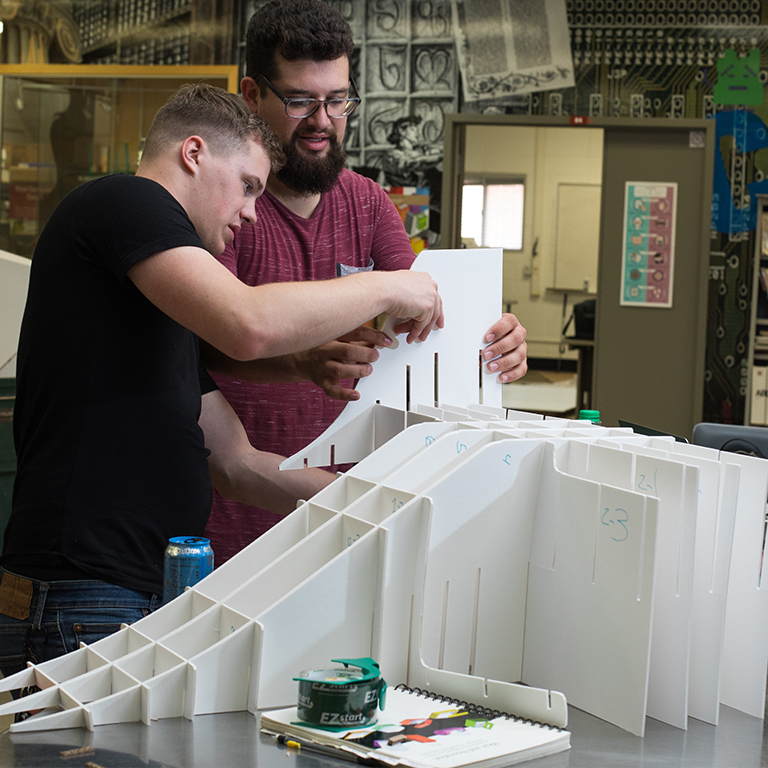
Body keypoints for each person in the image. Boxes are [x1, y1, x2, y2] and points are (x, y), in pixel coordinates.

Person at [0, 82, 444, 680]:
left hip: (134, 593)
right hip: (82, 593)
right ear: (193, 154)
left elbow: (238, 463)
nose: (251, 211)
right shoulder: (124, 202)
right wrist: (393, 285)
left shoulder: (159, 302)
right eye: (248, 186)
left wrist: (382, 502)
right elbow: (248, 323)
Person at [203, 0, 529, 564]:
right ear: (252, 96)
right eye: (301, 100)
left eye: (338, 100)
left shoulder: (368, 204)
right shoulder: (223, 207)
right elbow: (208, 342)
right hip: (225, 527)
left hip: (342, 525)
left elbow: (421, 321)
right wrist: (304, 358)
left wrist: (492, 347)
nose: (323, 120)